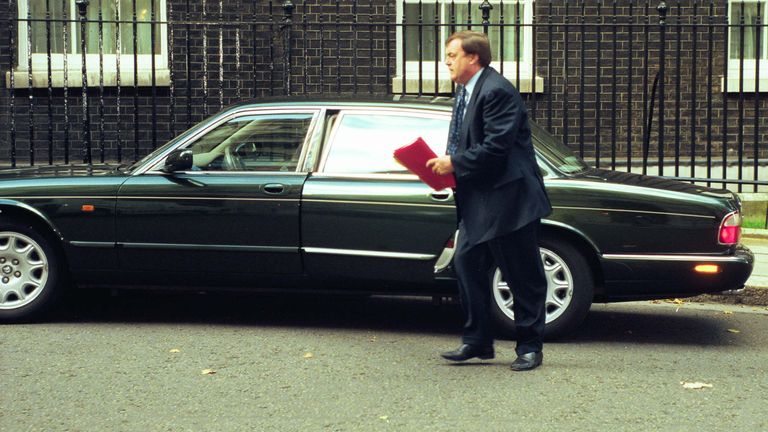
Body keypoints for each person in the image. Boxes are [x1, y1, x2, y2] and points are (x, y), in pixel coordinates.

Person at [426, 31, 552, 371]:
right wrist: (448, 168)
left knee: (522, 273)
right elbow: (464, 141)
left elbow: (497, 147)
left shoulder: (497, 91)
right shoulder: (466, 91)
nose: (447, 61)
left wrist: (454, 163)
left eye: (452, 55)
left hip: (510, 199)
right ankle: (478, 341)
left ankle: (529, 346)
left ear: (474, 58)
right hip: (480, 197)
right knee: (466, 262)